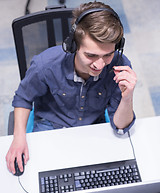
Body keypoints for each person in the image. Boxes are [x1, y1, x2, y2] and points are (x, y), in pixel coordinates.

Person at [6, 1, 137, 174]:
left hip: (92, 126)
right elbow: (23, 98)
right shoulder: (45, 65)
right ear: (73, 45)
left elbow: (120, 127)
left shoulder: (119, 66)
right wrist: (18, 138)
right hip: (50, 125)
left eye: (107, 55)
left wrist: (127, 97)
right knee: (40, 175)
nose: (99, 65)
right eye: (91, 55)